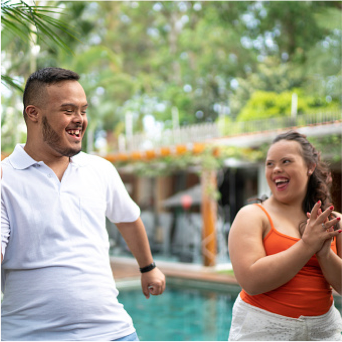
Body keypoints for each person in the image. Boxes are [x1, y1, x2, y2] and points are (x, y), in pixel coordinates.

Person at [0, 67, 165, 341]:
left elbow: (127, 217)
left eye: (83, 110)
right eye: (68, 110)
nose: (80, 120)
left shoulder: (100, 169)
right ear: (33, 114)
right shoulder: (5, 178)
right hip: (28, 335)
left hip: (114, 332)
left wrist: (148, 267)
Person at [228, 130, 342, 341]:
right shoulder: (252, 215)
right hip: (262, 331)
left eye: (286, 161)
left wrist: (325, 254)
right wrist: (307, 246)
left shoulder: (334, 221)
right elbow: (251, 281)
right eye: (269, 164)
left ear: (310, 167)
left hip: (323, 332)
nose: (276, 169)